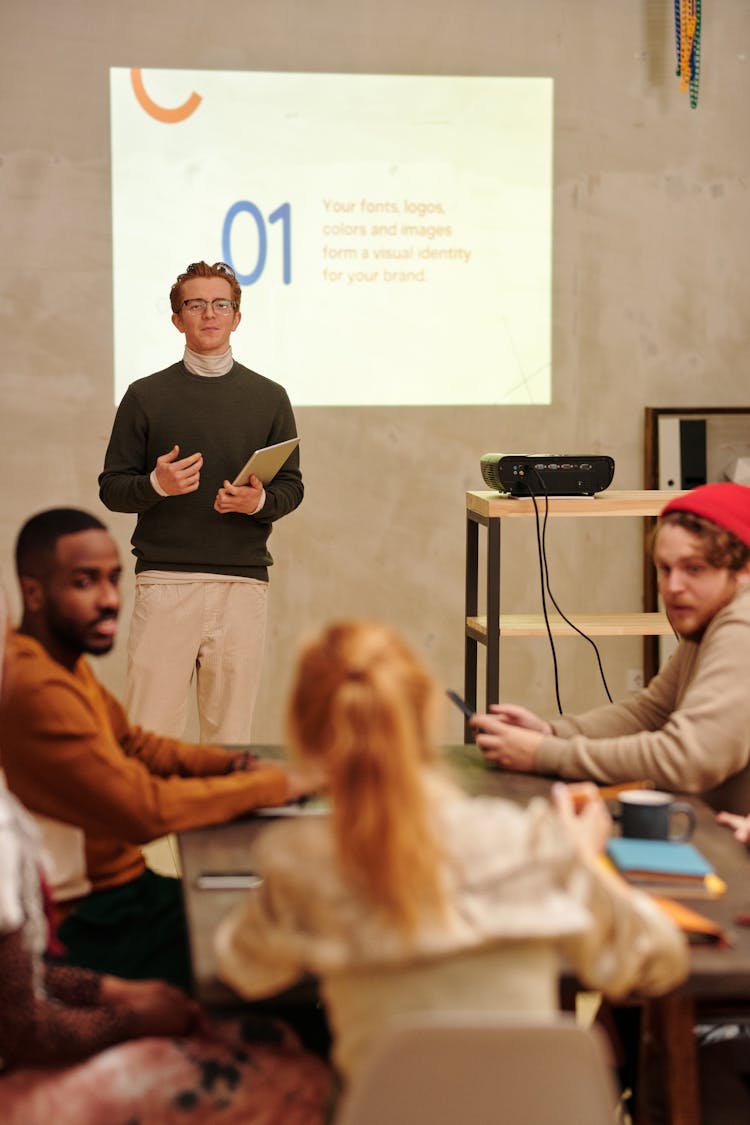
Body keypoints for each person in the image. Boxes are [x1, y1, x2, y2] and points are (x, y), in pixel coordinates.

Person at [214, 620, 687, 1090]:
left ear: (303, 734)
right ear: (426, 718)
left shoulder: (299, 862)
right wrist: (582, 858)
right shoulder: (531, 841)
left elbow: (244, 968)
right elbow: (658, 959)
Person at [0, 508, 318, 991]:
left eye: (113, 580)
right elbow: (142, 810)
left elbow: (135, 744)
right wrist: (269, 785)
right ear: (34, 592)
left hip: (128, 893)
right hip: (88, 921)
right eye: (85, 583)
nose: (109, 600)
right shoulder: (37, 689)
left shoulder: (61, 663)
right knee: (296, 963)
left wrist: (234, 763)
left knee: (298, 925)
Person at [98, 259, 303, 744]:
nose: (209, 314)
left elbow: (291, 487)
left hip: (242, 584)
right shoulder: (145, 395)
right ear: (177, 319)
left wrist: (255, 503)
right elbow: (112, 487)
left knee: (230, 741)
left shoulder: (270, 397)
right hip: (166, 582)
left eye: (220, 304)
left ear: (237, 316)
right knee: (150, 736)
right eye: (195, 305)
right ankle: (151, 824)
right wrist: (155, 485)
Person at [471, 482, 750, 814]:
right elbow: (651, 712)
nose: (673, 587)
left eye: (694, 569)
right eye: (664, 569)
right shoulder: (709, 618)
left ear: (743, 571)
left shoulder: (742, 626)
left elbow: (687, 759)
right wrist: (552, 733)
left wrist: (544, 753)